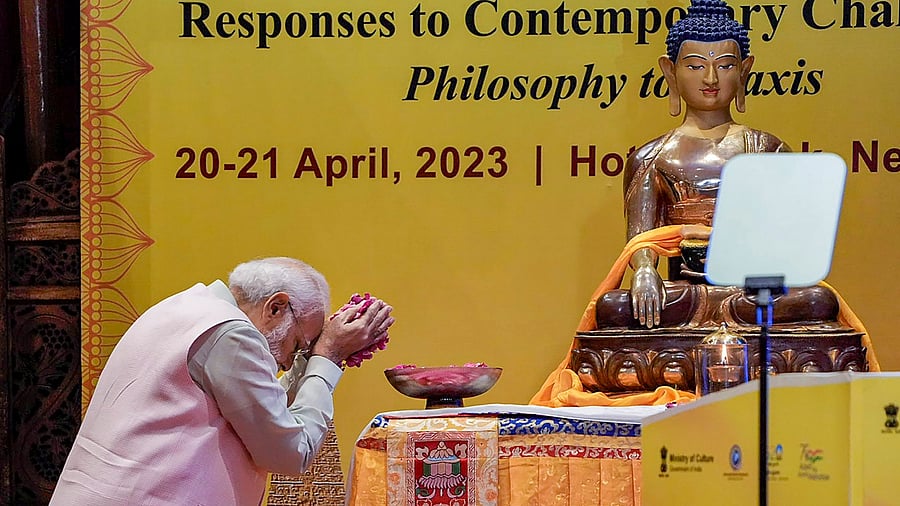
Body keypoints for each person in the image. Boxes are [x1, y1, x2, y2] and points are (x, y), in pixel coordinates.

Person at [531, 0, 877, 408]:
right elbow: (641, 240)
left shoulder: (766, 149)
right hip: (684, 293)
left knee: (818, 301)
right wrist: (644, 271)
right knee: (614, 308)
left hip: (752, 293)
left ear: (745, 71)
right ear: (670, 72)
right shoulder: (652, 156)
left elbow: (785, 240)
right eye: (695, 65)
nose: (710, 77)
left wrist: (765, 273)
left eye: (725, 65)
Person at [50, 257, 394, 505]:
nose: (290, 359)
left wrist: (314, 360)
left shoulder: (190, 307)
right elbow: (291, 453)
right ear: (276, 307)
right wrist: (327, 358)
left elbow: (260, 409)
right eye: (298, 345)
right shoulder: (232, 335)